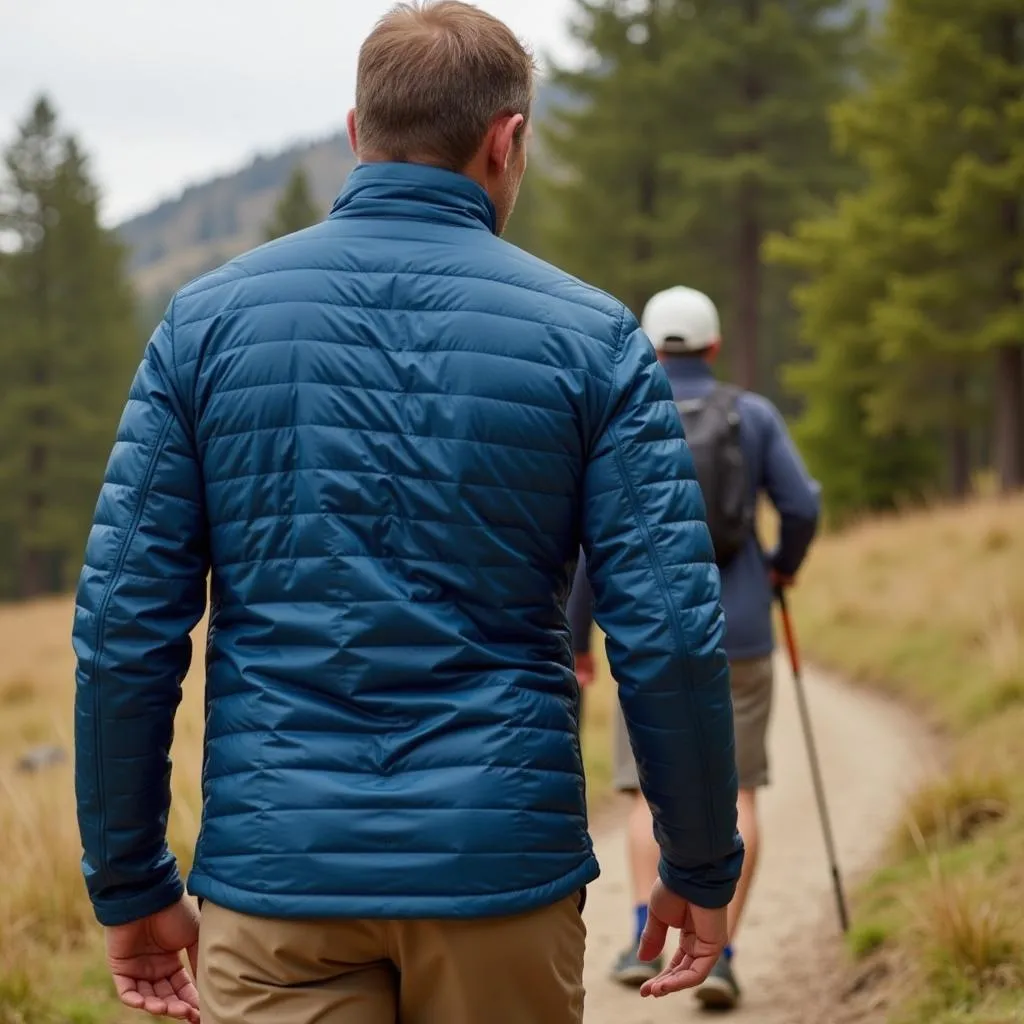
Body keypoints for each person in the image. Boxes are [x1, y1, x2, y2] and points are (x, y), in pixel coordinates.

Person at [72, 5, 743, 1022]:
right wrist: (698, 859)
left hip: (277, 873)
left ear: (356, 132)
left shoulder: (202, 326)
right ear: (506, 139)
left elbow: (124, 625)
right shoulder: (595, 340)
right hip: (497, 867)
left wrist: (130, 881)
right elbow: (668, 631)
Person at [568, 285, 820, 1011]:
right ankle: (723, 952)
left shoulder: (621, 410)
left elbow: (590, 542)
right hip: (738, 627)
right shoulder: (751, 415)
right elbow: (802, 504)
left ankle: (647, 935)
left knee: (650, 792)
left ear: (650, 347)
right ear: (712, 346)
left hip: (646, 633)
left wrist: (582, 637)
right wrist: (780, 567)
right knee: (737, 791)